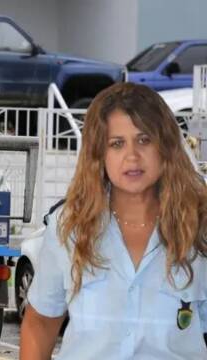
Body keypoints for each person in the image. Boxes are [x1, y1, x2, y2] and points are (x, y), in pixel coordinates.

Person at [19, 82, 207, 359]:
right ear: (99, 154)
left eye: (144, 140)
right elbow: (40, 324)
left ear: (165, 147)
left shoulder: (199, 227)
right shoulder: (68, 227)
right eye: (117, 144)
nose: (132, 156)